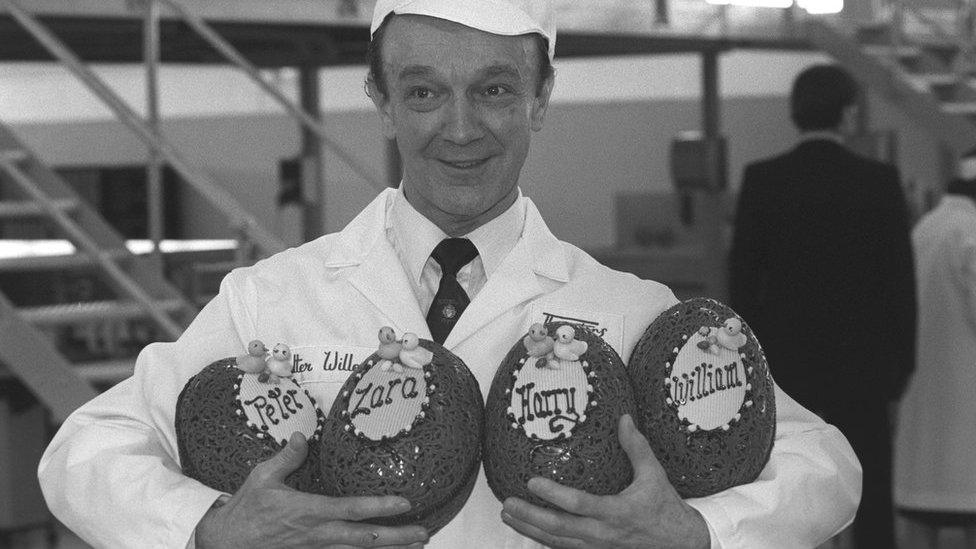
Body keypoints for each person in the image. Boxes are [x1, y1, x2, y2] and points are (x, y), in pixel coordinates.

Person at [39, 2, 861, 548]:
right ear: (381, 99)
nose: (460, 128)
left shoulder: (629, 312)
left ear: (542, 96)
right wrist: (211, 526)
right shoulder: (271, 299)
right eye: (425, 91)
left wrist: (698, 531)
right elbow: (83, 448)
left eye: (496, 89)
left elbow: (826, 466)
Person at [729, 64, 916, 548]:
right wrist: (898, 374)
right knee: (871, 490)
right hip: (865, 367)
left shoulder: (763, 180)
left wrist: (752, 370)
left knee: (789, 493)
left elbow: (744, 285)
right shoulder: (878, 180)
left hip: (787, 367)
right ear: (849, 113)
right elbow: (898, 286)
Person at [894, 151, 976, 548]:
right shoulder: (970, 232)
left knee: (921, 517)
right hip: (966, 405)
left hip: (923, 396)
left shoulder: (924, 228)